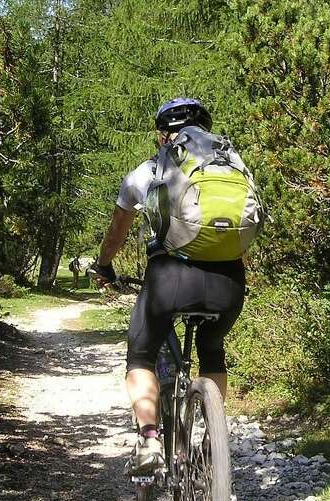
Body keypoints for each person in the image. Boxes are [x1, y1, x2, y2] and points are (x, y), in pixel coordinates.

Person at [90, 98, 253, 476]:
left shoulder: (146, 172)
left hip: (170, 281)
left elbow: (117, 232)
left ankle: (150, 440)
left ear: (163, 134)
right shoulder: (231, 165)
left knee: (141, 356)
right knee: (212, 347)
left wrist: (104, 266)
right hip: (228, 282)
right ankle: (214, 439)